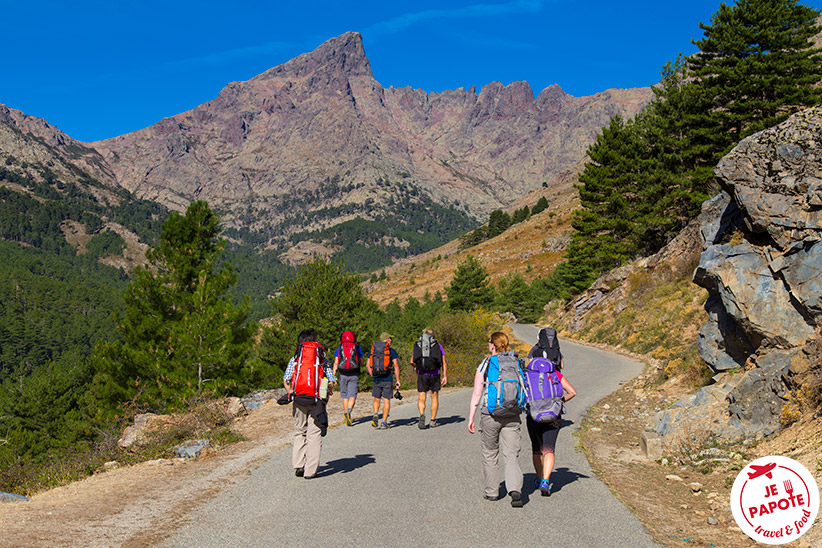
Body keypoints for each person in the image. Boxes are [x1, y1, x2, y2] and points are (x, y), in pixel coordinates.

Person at [467, 331, 525, 507]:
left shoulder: (485, 364)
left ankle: (492, 492)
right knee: (511, 454)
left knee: (490, 453)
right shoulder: (516, 362)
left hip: (490, 414)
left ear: (492, 345)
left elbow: (477, 392)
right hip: (513, 413)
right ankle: (515, 489)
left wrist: (471, 417)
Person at [283, 328, 336, 479]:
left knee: (300, 431)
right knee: (314, 434)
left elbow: (286, 380)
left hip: (299, 399)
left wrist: (291, 392)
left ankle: (299, 465)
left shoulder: (295, 359)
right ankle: (310, 471)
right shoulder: (322, 358)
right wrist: (327, 391)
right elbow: (332, 381)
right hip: (317, 400)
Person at [526, 361, 576, 496]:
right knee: (549, 448)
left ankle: (540, 477)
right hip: (554, 416)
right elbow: (572, 392)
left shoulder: (528, 375)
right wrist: (558, 403)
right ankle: (546, 481)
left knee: (537, 449)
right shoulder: (556, 374)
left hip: (533, 416)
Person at [411, 329, 447, 429]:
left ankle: (422, 414)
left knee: (421, 396)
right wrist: (445, 376)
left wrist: (416, 368)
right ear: (433, 336)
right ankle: (433, 420)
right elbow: (443, 362)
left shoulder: (419, 344)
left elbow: (412, 361)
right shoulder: (438, 346)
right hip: (435, 373)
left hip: (422, 374)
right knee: (434, 397)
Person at [366, 332, 401, 429]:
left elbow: (367, 365)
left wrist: (372, 375)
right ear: (388, 339)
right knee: (386, 400)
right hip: (387, 378)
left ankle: (376, 413)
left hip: (376, 378)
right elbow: (396, 366)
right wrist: (398, 380)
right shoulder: (391, 351)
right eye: (390, 339)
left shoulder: (373, 350)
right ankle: (384, 422)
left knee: (376, 398)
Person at [332, 330, 363, 426]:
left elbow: (336, 362)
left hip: (343, 374)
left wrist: (333, 376)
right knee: (352, 395)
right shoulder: (357, 348)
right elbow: (361, 361)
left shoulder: (340, 347)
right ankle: (349, 411)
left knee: (345, 396)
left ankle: (346, 415)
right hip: (354, 373)